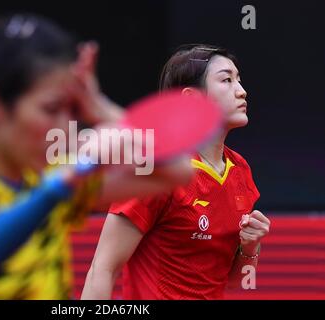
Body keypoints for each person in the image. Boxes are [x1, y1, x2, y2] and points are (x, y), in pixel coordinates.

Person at [0, 14, 194, 299]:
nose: (65, 127)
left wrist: (102, 109)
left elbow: (179, 171)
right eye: (51, 109)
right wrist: (69, 177)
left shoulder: (47, 176)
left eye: (73, 110)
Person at [82, 44, 271, 300]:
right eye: (227, 80)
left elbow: (235, 281)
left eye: (239, 79)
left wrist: (251, 245)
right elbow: (102, 269)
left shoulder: (240, 171)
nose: (242, 91)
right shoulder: (157, 171)